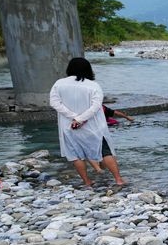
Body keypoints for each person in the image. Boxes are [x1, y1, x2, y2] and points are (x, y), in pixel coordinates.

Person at [49, 57, 125, 188]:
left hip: (69, 126)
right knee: (105, 152)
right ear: (89, 69)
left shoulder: (59, 84)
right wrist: (80, 119)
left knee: (75, 155)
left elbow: (54, 103)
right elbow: (96, 106)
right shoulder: (93, 85)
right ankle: (118, 180)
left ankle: (87, 182)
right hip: (93, 126)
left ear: (69, 68)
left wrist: (74, 117)